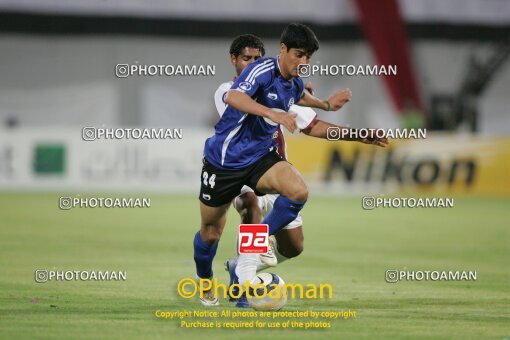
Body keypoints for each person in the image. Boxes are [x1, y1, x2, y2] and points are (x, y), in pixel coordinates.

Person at [194, 23, 388, 307]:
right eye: (299, 55)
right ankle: (205, 282)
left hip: (261, 159)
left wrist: (346, 122)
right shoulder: (252, 76)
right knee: (212, 231)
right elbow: (234, 97)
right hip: (224, 163)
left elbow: (308, 115)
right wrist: (273, 112)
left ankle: (246, 262)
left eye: (308, 57)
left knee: (297, 198)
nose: (304, 62)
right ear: (283, 49)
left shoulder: (293, 81)